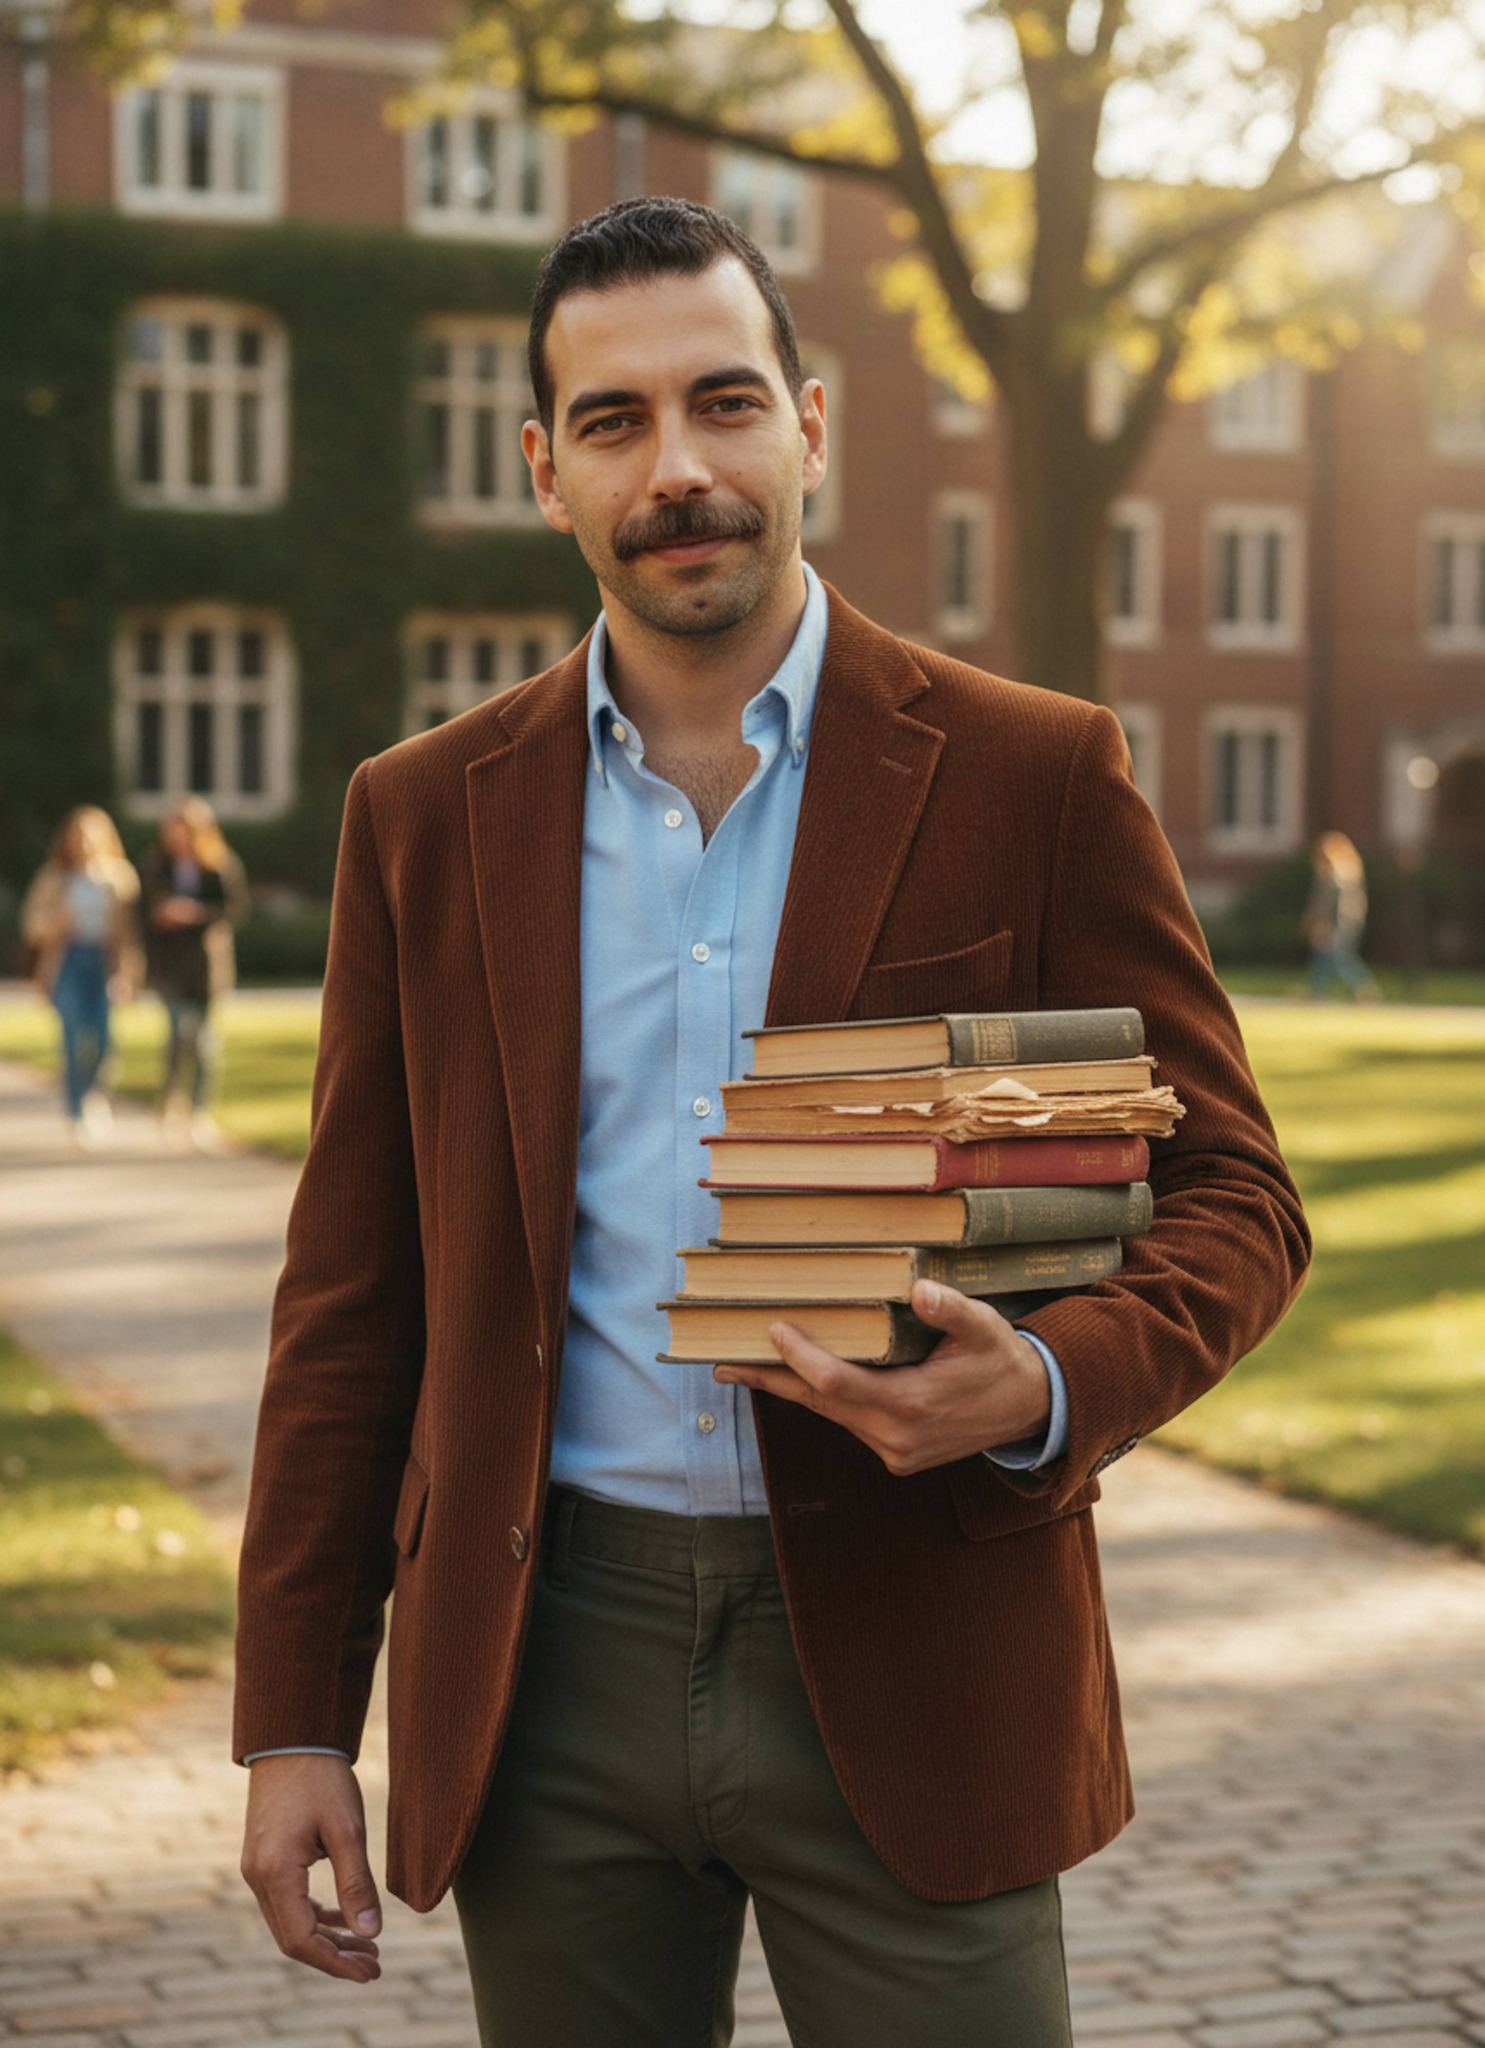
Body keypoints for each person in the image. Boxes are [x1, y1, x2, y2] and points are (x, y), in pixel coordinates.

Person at [235, 199, 1310, 2047]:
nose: (681, 469)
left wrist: (1041, 1383)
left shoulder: (1036, 773)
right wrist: (294, 1716)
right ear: (545, 471)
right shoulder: (419, 817)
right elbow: (352, 1296)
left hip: (924, 1643)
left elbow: (1236, 1191)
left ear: (813, 423)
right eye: (616, 422)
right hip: (545, 1660)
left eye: (725, 404)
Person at [19, 805, 142, 1145]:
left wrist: (128, 974)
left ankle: (93, 1095)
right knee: (73, 1037)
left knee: (104, 1040)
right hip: (68, 962)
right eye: (78, 837)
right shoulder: (55, 877)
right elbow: (32, 926)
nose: (84, 844)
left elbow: (127, 935)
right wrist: (55, 925)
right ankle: (76, 1111)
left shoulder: (119, 878)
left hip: (103, 961)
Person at [142, 797, 249, 1150]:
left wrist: (195, 914)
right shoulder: (158, 866)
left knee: (204, 1042)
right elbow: (141, 913)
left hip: (205, 966)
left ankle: (200, 1111)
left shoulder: (219, 865)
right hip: (170, 965)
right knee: (175, 1038)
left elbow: (234, 911)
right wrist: (162, 916)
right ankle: (170, 1104)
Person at [1304, 831, 1377, 1000]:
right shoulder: (1340, 873)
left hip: (1337, 926)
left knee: (1339, 959)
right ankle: (1318, 991)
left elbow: (1334, 905)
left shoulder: (1337, 876)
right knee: (1325, 959)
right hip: (1340, 925)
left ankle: (1360, 988)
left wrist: (1329, 926)